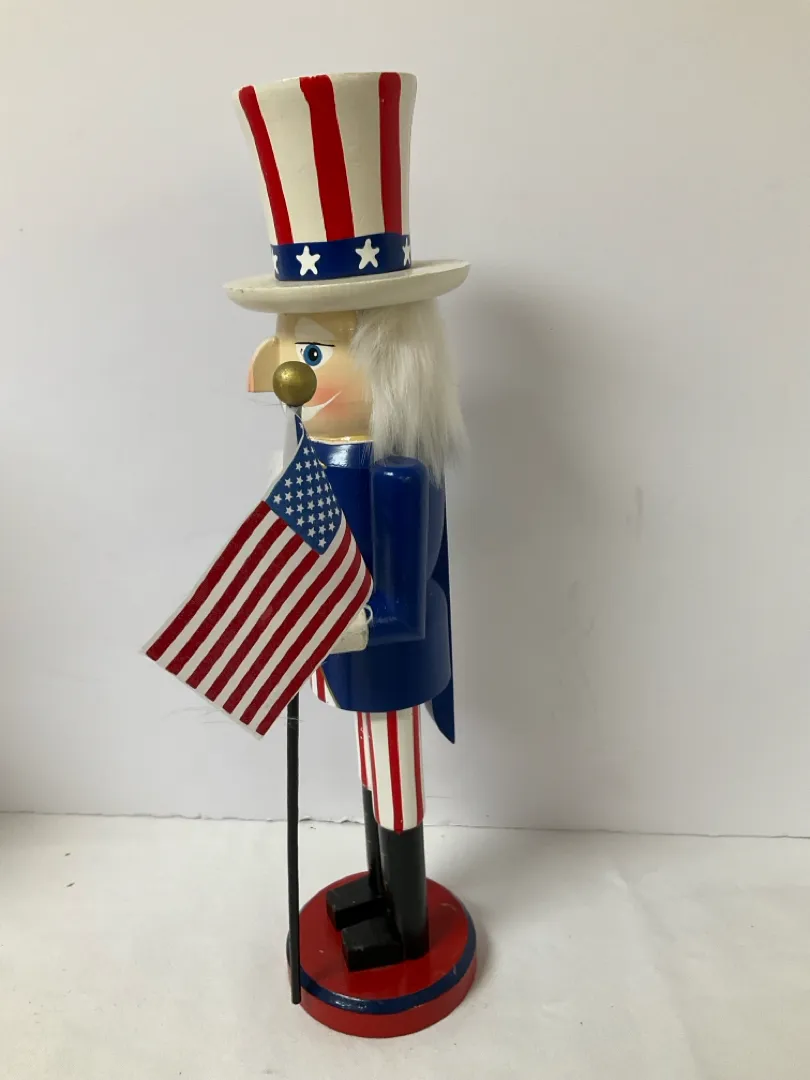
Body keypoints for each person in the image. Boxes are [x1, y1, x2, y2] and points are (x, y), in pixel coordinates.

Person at [227, 71, 469, 972]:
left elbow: (402, 597)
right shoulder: (314, 460)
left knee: (395, 782)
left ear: (393, 358)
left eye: (318, 349)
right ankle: (376, 887)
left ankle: (407, 925)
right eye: (295, 345)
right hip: (344, 654)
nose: (293, 372)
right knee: (368, 775)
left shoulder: (400, 474)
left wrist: (339, 624)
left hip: (389, 657)